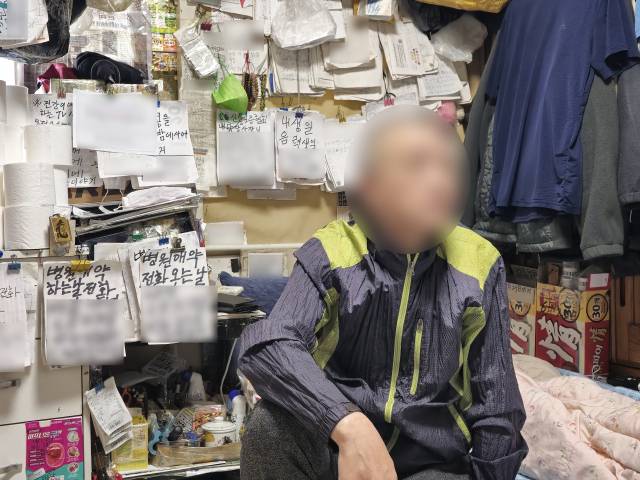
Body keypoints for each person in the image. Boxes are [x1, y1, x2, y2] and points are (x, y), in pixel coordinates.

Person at [237, 106, 527, 480]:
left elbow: (497, 406)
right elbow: (268, 345)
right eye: (416, 165)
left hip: (431, 463)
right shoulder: (332, 250)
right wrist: (348, 423)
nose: (440, 181)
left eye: (447, 167)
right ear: (371, 185)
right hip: (337, 450)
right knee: (268, 426)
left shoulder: (480, 262)